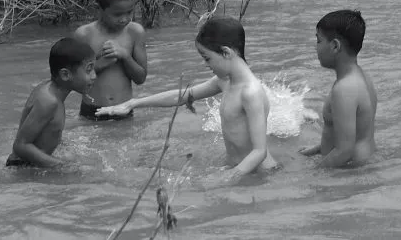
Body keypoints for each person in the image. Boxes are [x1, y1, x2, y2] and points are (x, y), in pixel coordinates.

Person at [96, 16, 280, 188]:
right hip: (240, 171)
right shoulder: (225, 82)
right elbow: (182, 96)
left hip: (262, 175)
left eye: (207, 58)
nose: (206, 65)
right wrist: (132, 103)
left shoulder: (250, 92)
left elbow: (259, 151)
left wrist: (226, 178)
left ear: (226, 53)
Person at [300, 10, 377, 167]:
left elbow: (344, 151)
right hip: (363, 164)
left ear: (335, 46)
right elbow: (354, 134)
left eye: (318, 40)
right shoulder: (362, 77)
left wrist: (314, 174)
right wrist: (317, 149)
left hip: (351, 172)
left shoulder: (344, 89)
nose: (316, 47)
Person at [6, 37, 96, 168]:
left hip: (32, 165)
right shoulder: (48, 101)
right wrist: (63, 166)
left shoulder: (52, 92)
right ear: (65, 75)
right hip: (23, 168)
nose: (94, 75)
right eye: (89, 70)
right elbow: (21, 145)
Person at [74, 0, 147, 121]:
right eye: (117, 14)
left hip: (124, 110)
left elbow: (141, 78)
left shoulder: (135, 32)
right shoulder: (84, 34)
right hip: (91, 111)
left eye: (130, 12)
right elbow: (76, 80)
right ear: (99, 8)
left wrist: (125, 56)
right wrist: (100, 64)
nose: (125, 19)